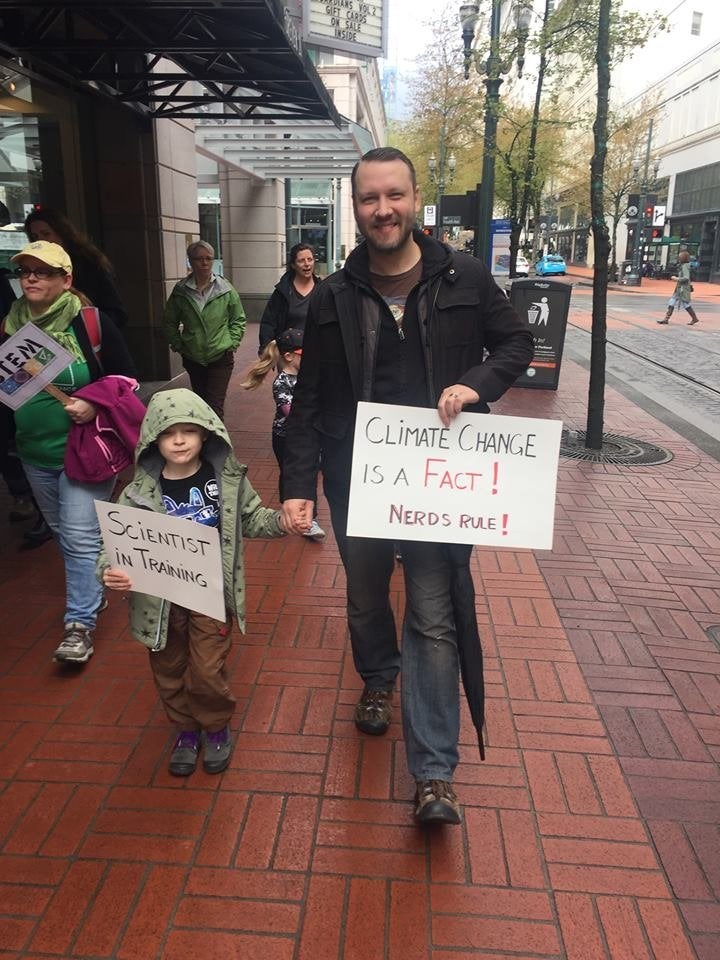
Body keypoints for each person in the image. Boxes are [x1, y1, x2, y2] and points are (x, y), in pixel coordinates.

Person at [281, 147, 534, 825]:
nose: (382, 209)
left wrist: (474, 385)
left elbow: (515, 347)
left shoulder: (466, 277)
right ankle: (378, 678)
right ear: (356, 205)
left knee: (432, 613)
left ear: (415, 197)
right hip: (358, 481)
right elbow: (306, 399)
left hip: (439, 483)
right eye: (369, 198)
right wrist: (297, 483)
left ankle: (433, 773)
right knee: (366, 600)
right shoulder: (334, 294)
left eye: (394, 195)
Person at [101, 388, 290, 777]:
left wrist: (281, 522)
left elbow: (253, 517)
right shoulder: (136, 493)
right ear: (155, 438)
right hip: (160, 601)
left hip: (210, 594)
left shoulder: (226, 481)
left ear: (207, 433)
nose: (180, 440)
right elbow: (114, 545)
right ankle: (185, 730)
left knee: (206, 669)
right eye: (170, 433)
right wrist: (107, 570)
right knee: (168, 669)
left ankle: (215, 725)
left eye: (189, 430)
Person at [2, 240, 136, 662]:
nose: (32, 278)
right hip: (33, 453)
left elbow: (126, 380)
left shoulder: (90, 323)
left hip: (86, 451)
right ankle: (96, 582)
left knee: (77, 536)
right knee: (66, 534)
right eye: (26, 271)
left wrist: (93, 401)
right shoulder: (10, 327)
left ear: (66, 280)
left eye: (43, 271)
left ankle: (79, 625)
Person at [241, 327, 325, 541]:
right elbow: (289, 411)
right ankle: (299, 514)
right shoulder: (282, 382)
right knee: (290, 473)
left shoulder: (307, 378)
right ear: (288, 356)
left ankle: (306, 512)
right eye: (304, 354)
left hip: (307, 435)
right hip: (285, 437)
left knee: (311, 470)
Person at [163, 240, 246, 421]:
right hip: (193, 357)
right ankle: (202, 444)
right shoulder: (181, 291)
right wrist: (178, 344)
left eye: (209, 258)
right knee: (200, 404)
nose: (205, 263)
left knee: (214, 406)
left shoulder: (225, 289)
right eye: (199, 259)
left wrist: (231, 342)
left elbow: (238, 319)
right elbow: (169, 321)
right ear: (190, 261)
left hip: (220, 356)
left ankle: (217, 447)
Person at [25, 208, 129, 329]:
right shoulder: (36, 266)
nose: (41, 241)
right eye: (35, 236)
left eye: (46, 234)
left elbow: (117, 313)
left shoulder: (88, 263)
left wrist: (87, 325)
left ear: (61, 233)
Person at [258, 243, 320, 354]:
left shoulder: (322, 290)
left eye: (310, 259)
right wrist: (266, 349)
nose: (307, 264)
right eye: (301, 261)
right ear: (293, 265)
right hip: (287, 355)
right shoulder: (283, 291)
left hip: (315, 353)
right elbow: (268, 322)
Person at [658, 250, 699, 325]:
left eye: (680, 257)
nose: (678, 258)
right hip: (679, 289)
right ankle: (666, 319)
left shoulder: (685, 266)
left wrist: (676, 278)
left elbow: (686, 278)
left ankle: (694, 318)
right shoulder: (683, 266)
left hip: (682, 289)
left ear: (683, 258)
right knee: (672, 302)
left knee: (686, 304)